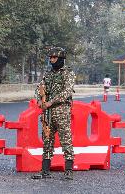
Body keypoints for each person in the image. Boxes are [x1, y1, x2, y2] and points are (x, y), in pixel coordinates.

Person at [31, 47, 75, 180]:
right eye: (50, 58)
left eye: (54, 58)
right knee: (47, 140)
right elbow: (40, 88)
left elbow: (67, 91)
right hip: (47, 112)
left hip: (61, 110)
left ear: (61, 59)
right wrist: (39, 100)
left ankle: (68, 171)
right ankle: (45, 171)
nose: (52, 60)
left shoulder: (68, 73)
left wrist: (51, 102)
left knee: (65, 139)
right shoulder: (48, 73)